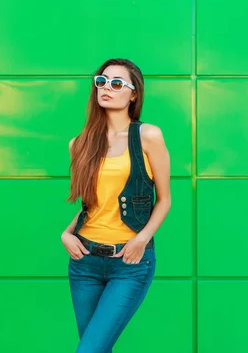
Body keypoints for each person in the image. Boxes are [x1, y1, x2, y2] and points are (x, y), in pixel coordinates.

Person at [61, 58, 171, 352]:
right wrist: (67, 234)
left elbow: (164, 199)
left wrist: (142, 239)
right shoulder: (80, 144)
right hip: (84, 263)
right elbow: (92, 205)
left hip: (129, 264)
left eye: (117, 83)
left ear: (133, 94)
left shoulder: (148, 136)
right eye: (101, 81)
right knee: (97, 348)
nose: (106, 88)